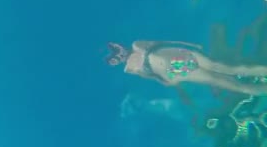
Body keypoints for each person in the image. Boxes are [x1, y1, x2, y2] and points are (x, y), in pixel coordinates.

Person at [107, 40, 267, 96]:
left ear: (118, 46)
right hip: (173, 70)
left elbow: (163, 42)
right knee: (221, 80)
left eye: (116, 51)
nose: (119, 56)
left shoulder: (137, 44)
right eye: (114, 58)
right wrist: (169, 82)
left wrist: (190, 45)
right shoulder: (129, 68)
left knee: (224, 68)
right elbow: (150, 76)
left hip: (179, 55)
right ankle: (260, 89)